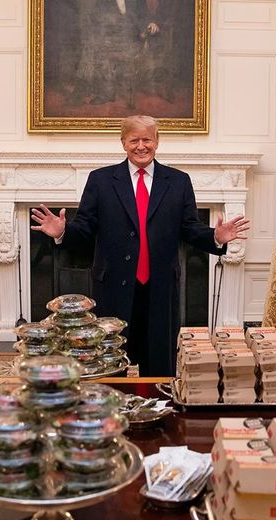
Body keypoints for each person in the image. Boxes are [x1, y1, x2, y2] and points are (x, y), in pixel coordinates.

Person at [31, 115, 250, 376]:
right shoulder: (100, 181)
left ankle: (158, 410)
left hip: (160, 287)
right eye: (134, 140)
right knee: (111, 362)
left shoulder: (178, 182)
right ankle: (115, 411)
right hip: (113, 287)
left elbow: (190, 228)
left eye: (147, 139)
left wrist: (216, 236)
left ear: (157, 142)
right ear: (123, 142)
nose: (141, 146)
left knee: (159, 364)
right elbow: (86, 229)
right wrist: (63, 231)